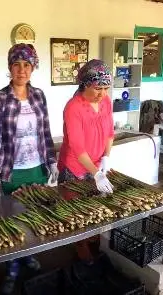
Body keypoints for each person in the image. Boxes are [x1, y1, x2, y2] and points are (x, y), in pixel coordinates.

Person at [0, 44, 58, 294]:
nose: (21, 70)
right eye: (16, 64)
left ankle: (27, 256)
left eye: (26, 65)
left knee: (33, 217)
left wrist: (51, 160)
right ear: (9, 68)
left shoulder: (39, 95)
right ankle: (12, 267)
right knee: (11, 221)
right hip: (11, 171)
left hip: (36, 168)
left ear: (32, 68)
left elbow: (45, 131)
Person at [57, 59, 115, 263]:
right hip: (74, 167)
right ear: (85, 85)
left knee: (94, 206)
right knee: (77, 211)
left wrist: (106, 157)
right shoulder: (73, 107)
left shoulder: (106, 101)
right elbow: (77, 148)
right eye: (98, 88)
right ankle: (79, 245)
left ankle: (91, 239)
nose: (102, 94)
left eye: (106, 88)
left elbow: (109, 132)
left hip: (97, 164)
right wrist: (96, 173)